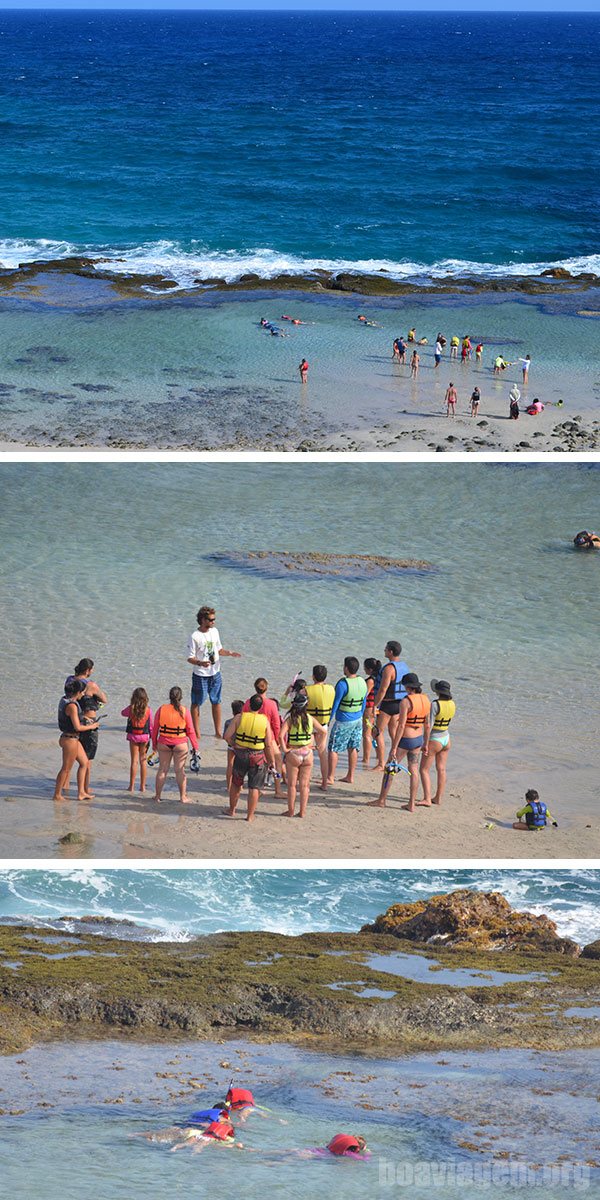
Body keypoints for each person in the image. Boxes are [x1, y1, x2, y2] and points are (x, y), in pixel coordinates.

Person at [371, 673, 430, 811]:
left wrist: (393, 747)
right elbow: (427, 725)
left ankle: (381, 800)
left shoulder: (406, 702)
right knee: (413, 769)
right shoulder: (426, 700)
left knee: (389, 768)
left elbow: (402, 726)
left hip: (406, 739)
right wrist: (425, 743)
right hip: (418, 738)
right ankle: (411, 804)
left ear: (407, 687)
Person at [187, 606, 241, 740]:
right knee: (197, 702)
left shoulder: (215, 631)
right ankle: (197, 733)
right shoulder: (195, 636)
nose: (213, 622)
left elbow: (219, 650)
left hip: (215, 673)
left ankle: (217, 731)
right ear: (203, 620)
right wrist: (201, 663)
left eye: (214, 619)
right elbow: (190, 658)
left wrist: (229, 653)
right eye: (211, 620)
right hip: (200, 675)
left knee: (216, 701)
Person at [224, 694, 276, 821]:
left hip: (241, 754)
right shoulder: (264, 721)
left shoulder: (239, 717)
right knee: (254, 787)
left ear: (248, 705)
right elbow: (268, 744)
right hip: (257, 756)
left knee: (236, 784)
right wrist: (271, 761)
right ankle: (250, 815)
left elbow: (226, 736)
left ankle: (232, 810)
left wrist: (235, 745)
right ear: (261, 707)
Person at [64, 658, 107, 796]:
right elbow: (104, 699)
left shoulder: (70, 680)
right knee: (87, 759)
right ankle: (85, 789)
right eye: (92, 669)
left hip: (74, 720)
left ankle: (65, 785)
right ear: (88, 670)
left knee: (70, 757)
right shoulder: (91, 685)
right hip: (89, 722)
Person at [52, 678, 100, 802]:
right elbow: (78, 727)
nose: (83, 694)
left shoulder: (65, 700)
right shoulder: (72, 706)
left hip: (72, 738)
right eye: (81, 692)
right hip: (70, 739)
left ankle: (81, 793)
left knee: (84, 763)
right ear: (77, 692)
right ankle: (57, 795)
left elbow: (73, 719)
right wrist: (92, 726)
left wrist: (85, 718)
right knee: (66, 769)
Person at [151, 686, 199, 803]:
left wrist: (154, 744)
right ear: (181, 697)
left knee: (162, 770)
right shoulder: (185, 711)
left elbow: (155, 729)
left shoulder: (162, 709)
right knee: (180, 771)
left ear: (170, 697)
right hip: (180, 745)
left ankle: (157, 796)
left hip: (164, 743)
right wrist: (195, 747)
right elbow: (191, 731)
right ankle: (183, 797)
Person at [280, 692, 324, 818]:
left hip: (293, 753)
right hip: (307, 753)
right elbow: (322, 731)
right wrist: (318, 747)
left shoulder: (290, 720)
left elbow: (280, 735)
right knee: (304, 785)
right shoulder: (310, 719)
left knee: (292, 785)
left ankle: (291, 811)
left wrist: (285, 749)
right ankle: (302, 812)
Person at [327, 657, 368, 785]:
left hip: (344, 720)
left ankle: (330, 777)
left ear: (346, 668)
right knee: (353, 747)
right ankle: (350, 776)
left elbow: (336, 704)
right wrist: (360, 714)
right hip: (358, 719)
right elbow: (364, 701)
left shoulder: (342, 684)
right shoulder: (362, 682)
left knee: (333, 748)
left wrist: (328, 720)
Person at [370, 641, 411, 770]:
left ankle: (381, 764)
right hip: (400, 704)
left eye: (386, 649)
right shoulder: (404, 666)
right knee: (394, 732)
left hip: (388, 705)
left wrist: (375, 705)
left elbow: (383, 689)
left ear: (391, 652)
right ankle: (394, 760)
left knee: (377, 732)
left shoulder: (389, 668)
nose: (384, 650)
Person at [242, 677, 283, 797]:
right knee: (277, 761)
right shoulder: (271, 704)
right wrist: (276, 739)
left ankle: (259, 788)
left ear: (255, 688)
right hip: (268, 737)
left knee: (260, 763)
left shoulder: (249, 702)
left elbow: (243, 717)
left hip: (253, 735)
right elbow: (276, 724)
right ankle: (278, 789)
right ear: (267, 688)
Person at [419, 679, 455, 806]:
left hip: (435, 739)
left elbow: (429, 726)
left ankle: (427, 798)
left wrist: (425, 743)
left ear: (437, 692)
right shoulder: (452, 704)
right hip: (446, 738)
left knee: (423, 769)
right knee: (441, 769)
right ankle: (438, 798)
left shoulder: (435, 704)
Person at [305, 665, 335, 789]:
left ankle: (306, 781)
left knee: (308, 753)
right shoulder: (331, 689)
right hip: (323, 724)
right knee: (323, 753)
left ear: (313, 676)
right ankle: (324, 783)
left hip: (310, 725)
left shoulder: (307, 690)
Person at [121, 687, 153, 793]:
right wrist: (153, 740)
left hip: (133, 736)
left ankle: (131, 786)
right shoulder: (148, 710)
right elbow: (151, 726)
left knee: (134, 761)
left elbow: (122, 713)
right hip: (144, 737)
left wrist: (131, 705)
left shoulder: (131, 709)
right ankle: (142, 787)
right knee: (143, 761)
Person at [362, 657, 381, 767]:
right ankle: (378, 755)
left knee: (367, 733)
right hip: (377, 708)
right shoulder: (379, 678)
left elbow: (365, 695)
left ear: (369, 669)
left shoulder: (370, 680)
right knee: (375, 732)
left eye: (365, 667)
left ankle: (366, 759)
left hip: (370, 709)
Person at [223, 699, 244, 790]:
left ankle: (228, 786)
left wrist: (232, 744)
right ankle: (240, 786)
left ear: (232, 711)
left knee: (230, 765)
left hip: (231, 746)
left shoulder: (228, 722)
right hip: (241, 746)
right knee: (240, 767)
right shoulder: (243, 722)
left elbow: (225, 736)